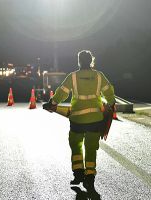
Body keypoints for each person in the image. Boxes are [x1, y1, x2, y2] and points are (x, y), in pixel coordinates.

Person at [43, 50, 115, 192]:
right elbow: (109, 92)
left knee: (76, 145)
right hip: (95, 119)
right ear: (91, 61)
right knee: (91, 147)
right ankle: (89, 176)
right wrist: (111, 104)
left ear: (79, 61)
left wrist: (52, 102)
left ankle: (78, 174)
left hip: (77, 120)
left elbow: (62, 92)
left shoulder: (73, 76)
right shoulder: (99, 76)